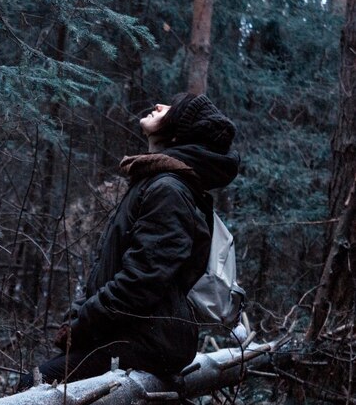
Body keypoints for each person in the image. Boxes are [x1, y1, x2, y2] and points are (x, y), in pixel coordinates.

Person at [19, 93, 240, 389]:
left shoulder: (168, 190)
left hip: (148, 340)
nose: (160, 105)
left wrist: (82, 323)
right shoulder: (160, 182)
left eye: (173, 109)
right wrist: (80, 317)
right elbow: (118, 269)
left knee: (34, 388)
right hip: (132, 333)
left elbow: (142, 280)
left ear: (177, 132)